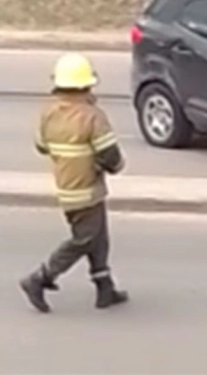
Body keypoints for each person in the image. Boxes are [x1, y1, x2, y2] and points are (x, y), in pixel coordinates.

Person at [20, 53, 129, 313]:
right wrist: (116, 167)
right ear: (86, 86)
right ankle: (40, 278)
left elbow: (41, 146)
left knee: (98, 237)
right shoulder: (92, 116)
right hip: (88, 189)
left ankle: (105, 288)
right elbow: (110, 155)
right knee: (85, 239)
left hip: (67, 187)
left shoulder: (49, 114)